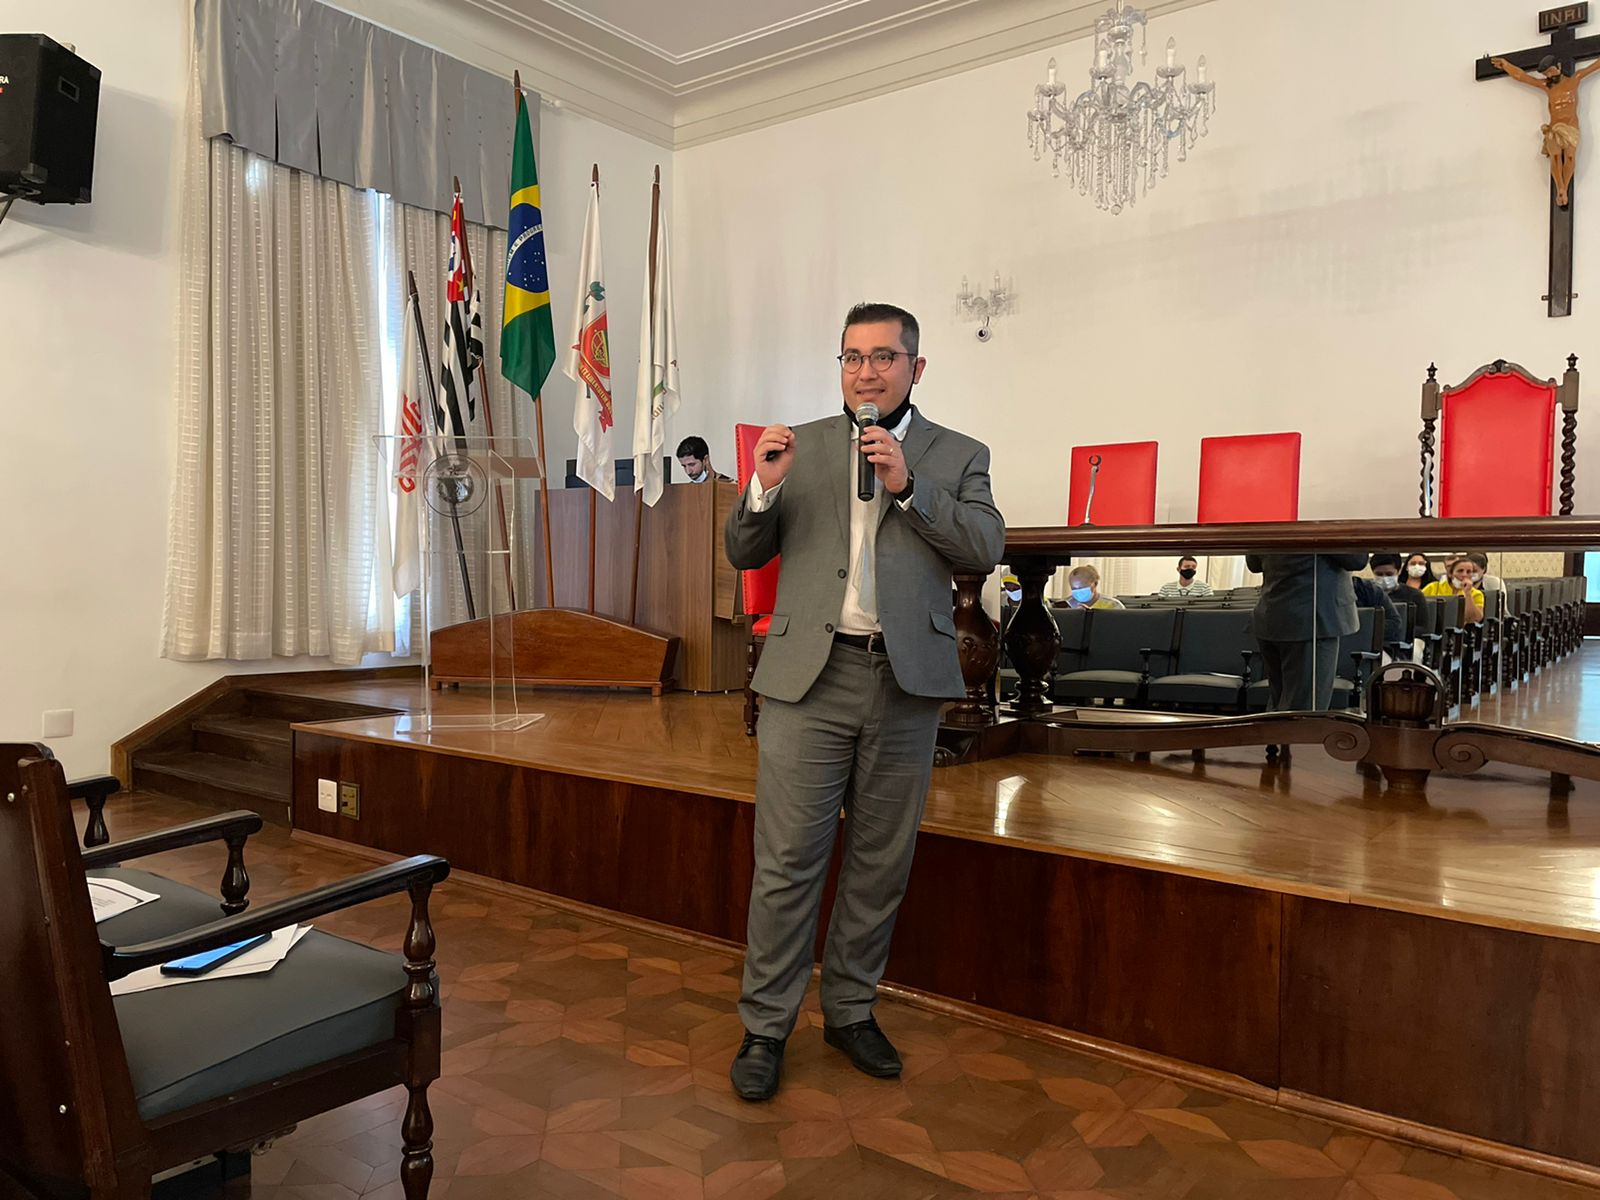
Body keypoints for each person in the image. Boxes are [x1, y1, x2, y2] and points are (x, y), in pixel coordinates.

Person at [723, 301, 1004, 1102]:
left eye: (884, 357)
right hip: (809, 679)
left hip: (903, 682)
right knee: (787, 863)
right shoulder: (801, 445)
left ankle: (850, 1011)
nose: (866, 372)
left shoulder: (958, 454)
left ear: (917, 368)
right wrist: (762, 489)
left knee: (881, 862)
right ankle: (765, 1027)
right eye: (852, 357)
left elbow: (985, 545)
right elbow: (743, 551)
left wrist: (908, 485)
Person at [1244, 553, 1369, 711]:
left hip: (1272, 614)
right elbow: (1357, 559)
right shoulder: (1323, 533)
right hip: (1312, 619)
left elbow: (1253, 564)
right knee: (1305, 711)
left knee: (1280, 706)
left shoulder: (1267, 533)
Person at [1490, 54, 1600, 208]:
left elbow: (1594, 66)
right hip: (1554, 128)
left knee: (1569, 157)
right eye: (1546, 74)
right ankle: (1560, 188)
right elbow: (1522, 77)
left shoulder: (1575, 79)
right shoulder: (1547, 86)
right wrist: (1506, 65)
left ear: (1559, 67)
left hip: (1570, 127)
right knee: (1555, 156)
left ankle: (1564, 187)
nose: (1548, 76)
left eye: (1550, 71)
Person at [1370, 553, 1424, 654]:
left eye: (1389, 574)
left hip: (1405, 642)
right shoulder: (1369, 595)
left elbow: (1422, 627)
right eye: (1379, 574)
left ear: (1398, 571)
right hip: (1374, 643)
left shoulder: (1414, 595)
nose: (1384, 578)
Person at [1424, 556, 1485, 624]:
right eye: (1460, 571)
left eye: (1468, 572)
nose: (1464, 575)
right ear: (1450, 574)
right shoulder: (1433, 587)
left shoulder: (1477, 594)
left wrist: (1468, 594)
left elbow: (1475, 619)